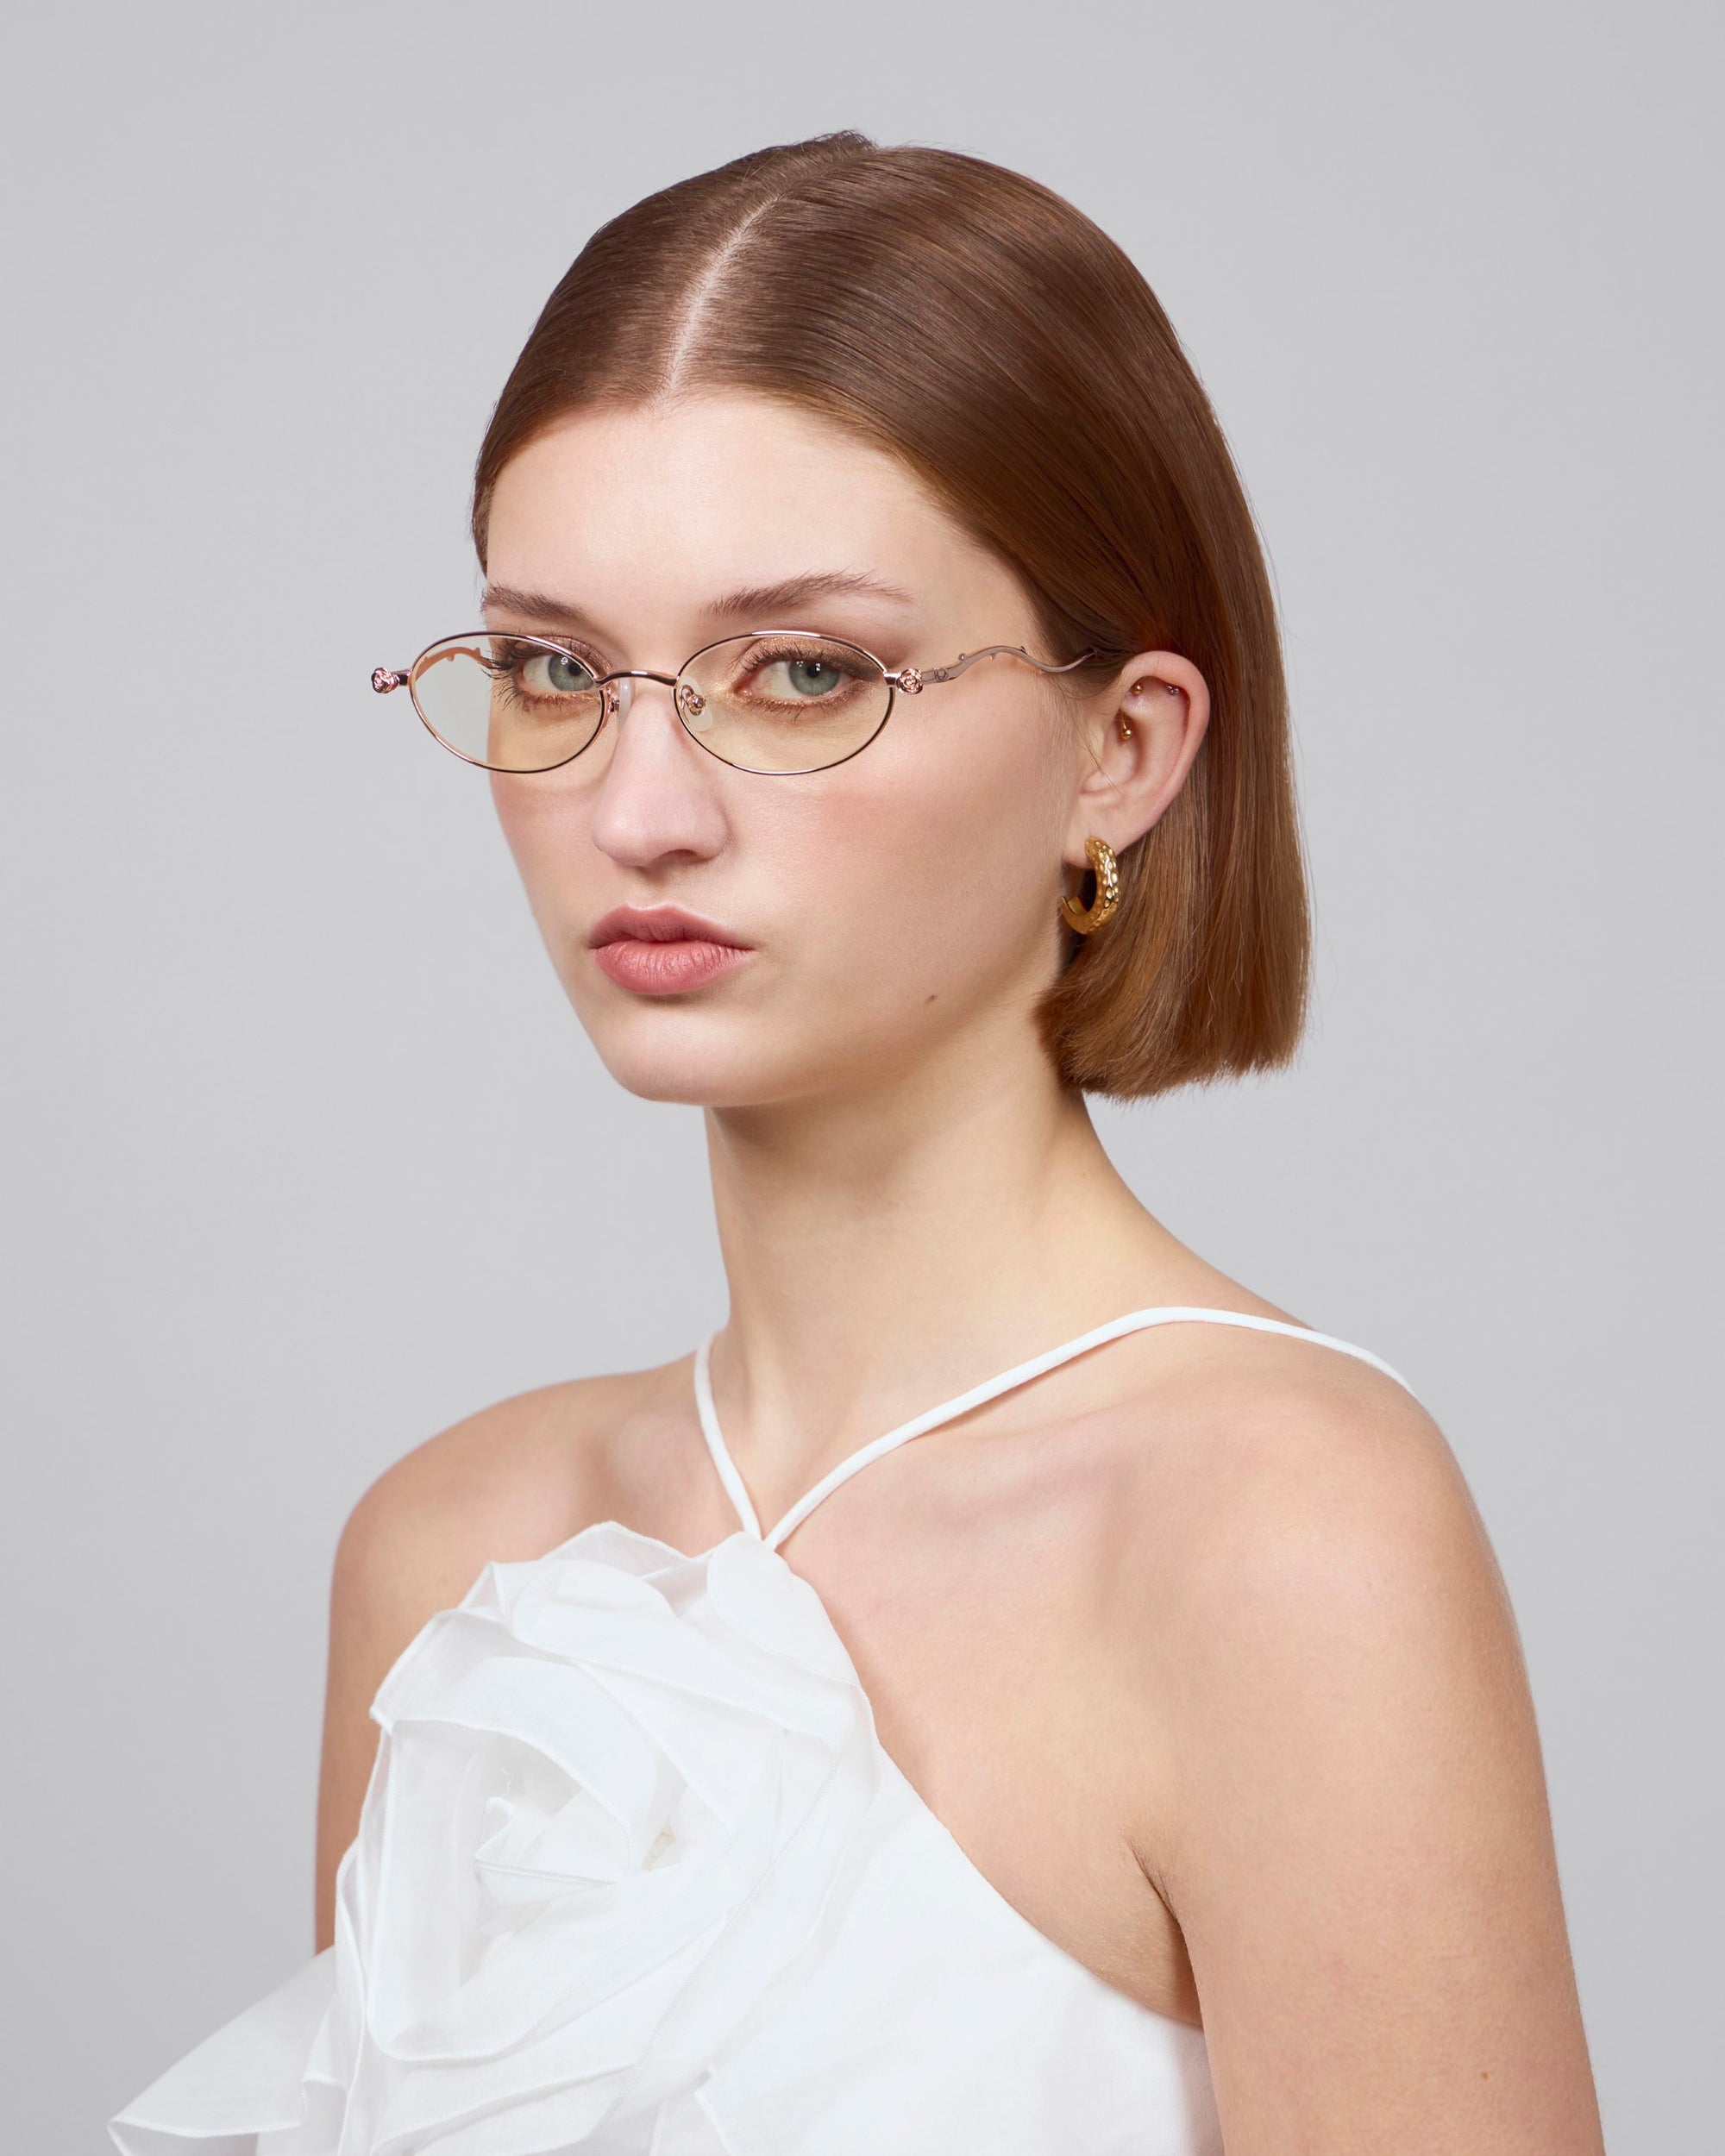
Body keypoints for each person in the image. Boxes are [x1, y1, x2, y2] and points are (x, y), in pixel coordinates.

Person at [111, 132, 1604, 2154]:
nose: (640, 807)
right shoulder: (455, 1553)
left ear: (1123, 749)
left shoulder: (1278, 1533)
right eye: (556, 667)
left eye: (800, 671)